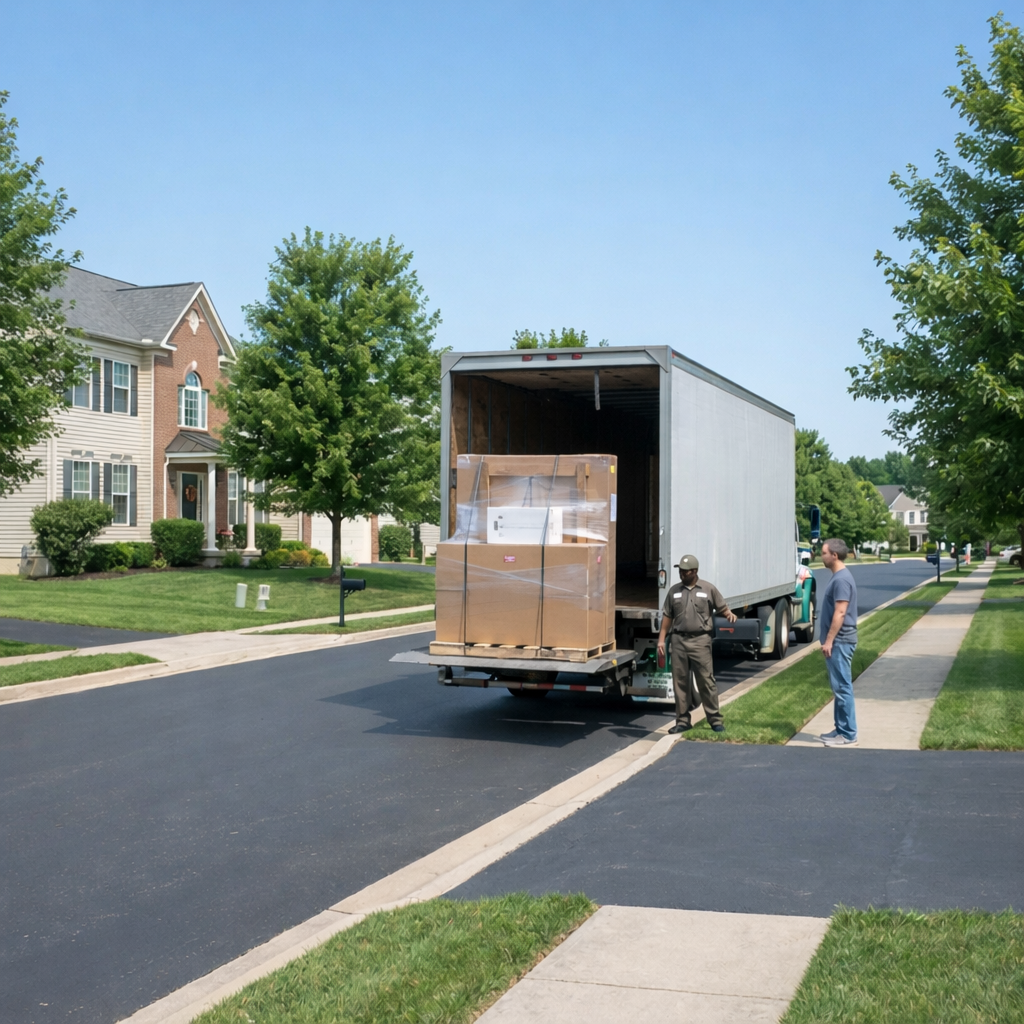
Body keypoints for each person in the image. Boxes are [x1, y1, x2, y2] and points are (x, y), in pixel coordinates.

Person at [657, 554, 737, 735]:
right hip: (678, 640)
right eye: (680, 571)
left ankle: (715, 719)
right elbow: (667, 617)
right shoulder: (674, 591)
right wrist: (661, 640)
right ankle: (683, 721)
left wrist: (729, 615)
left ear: (695, 572)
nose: (682, 574)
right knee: (680, 683)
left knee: (706, 680)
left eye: (685, 571)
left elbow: (723, 608)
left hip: (700, 640)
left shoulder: (708, 589)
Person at [818, 538, 859, 747]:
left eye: (823, 553)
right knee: (838, 687)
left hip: (841, 641)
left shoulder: (841, 580)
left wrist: (829, 641)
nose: (821, 556)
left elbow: (841, 612)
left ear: (834, 555)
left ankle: (849, 734)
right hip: (839, 641)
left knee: (843, 687)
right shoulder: (839, 577)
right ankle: (840, 729)